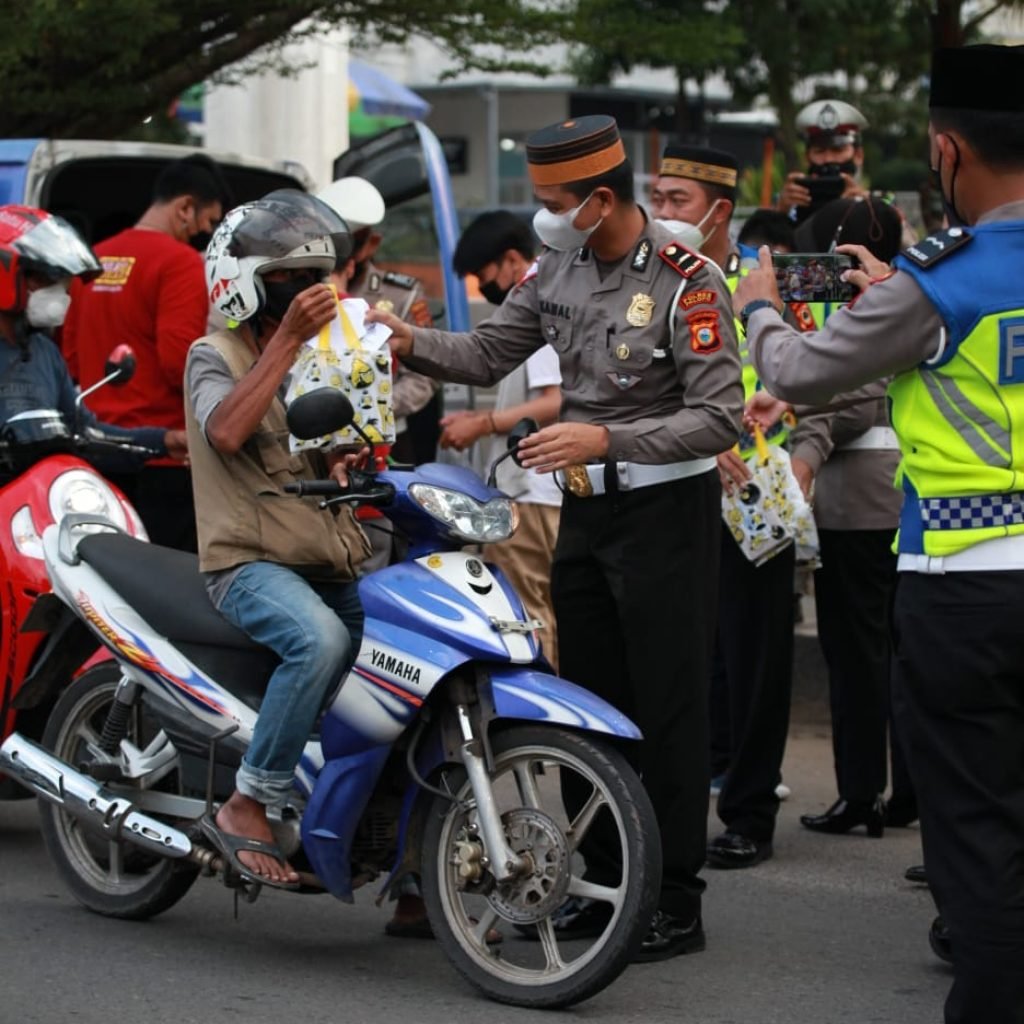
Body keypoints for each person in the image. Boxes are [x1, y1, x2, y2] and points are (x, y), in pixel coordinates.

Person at [369, 115, 743, 961]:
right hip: (585, 513)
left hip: (665, 519)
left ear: (600, 199)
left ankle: (675, 900)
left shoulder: (689, 280)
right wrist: (409, 343)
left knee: (669, 709)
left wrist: (606, 438)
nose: (540, 217)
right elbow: (488, 347)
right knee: (595, 711)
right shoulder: (557, 267)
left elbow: (717, 418)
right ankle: (605, 885)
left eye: (552, 203)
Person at [734, 44, 1024, 1024]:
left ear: (945, 152)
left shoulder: (942, 278)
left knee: (978, 834)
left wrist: (761, 303)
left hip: (967, 592)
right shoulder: (925, 281)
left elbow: (804, 372)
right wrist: (894, 289)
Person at [184, 191, 371, 888]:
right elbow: (227, 432)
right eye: (288, 278)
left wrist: (340, 461)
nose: (304, 293)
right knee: (318, 641)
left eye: (309, 279)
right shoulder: (215, 354)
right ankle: (248, 797)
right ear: (245, 283)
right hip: (247, 564)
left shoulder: (302, 362)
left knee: (396, 664)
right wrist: (289, 337)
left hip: (318, 554)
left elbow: (296, 453)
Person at [651, 144, 811, 868]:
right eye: (656, 197)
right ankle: (679, 800)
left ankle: (749, 808)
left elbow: (822, 374)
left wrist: (796, 441)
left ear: (718, 209)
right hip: (675, 491)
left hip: (753, 495)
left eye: (677, 200)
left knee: (754, 658)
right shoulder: (649, 279)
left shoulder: (761, 284)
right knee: (688, 657)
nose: (662, 213)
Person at [780, 197, 918, 838]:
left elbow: (848, 402)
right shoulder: (916, 289)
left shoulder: (861, 307)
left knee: (858, 658)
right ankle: (909, 790)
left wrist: (801, 457)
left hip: (855, 506)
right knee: (904, 656)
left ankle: (861, 793)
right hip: (905, 502)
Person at [62, 154, 231, 551]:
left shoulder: (93, 258)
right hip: (165, 459)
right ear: (184, 208)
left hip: (97, 453)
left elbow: (69, 358)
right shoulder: (180, 264)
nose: (203, 235)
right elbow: (181, 365)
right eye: (206, 223)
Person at [444, 210, 562, 672]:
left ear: (513, 260)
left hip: (532, 492)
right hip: (535, 490)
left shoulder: (539, 309)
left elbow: (554, 400)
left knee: (527, 613)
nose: (482, 285)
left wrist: (485, 423)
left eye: (483, 273)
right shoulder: (541, 304)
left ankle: (548, 722)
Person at [0, 204, 184, 465]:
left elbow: (86, 434)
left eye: (64, 284)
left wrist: (163, 441)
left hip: (39, 493)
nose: (61, 294)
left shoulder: (44, 352)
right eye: (49, 280)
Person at [317, 177, 440, 467]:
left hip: (386, 439)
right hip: (318, 441)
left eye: (347, 245)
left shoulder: (401, 295)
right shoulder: (307, 290)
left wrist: (370, 406)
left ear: (371, 243)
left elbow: (425, 376)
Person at [776, 99, 870, 222]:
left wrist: (866, 211)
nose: (828, 159)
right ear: (807, 158)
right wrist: (780, 214)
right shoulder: (790, 206)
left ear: (858, 155)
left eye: (838, 150)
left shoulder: (876, 206)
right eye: (819, 151)